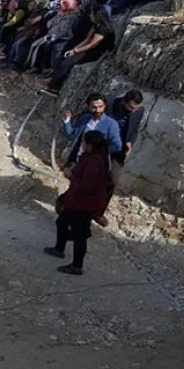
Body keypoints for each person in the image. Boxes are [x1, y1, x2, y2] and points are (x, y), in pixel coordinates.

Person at [45, 130, 113, 275]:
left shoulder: (94, 162)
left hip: (84, 204)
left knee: (79, 235)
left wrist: (70, 176)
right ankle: (59, 249)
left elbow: (86, 186)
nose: (81, 144)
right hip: (78, 200)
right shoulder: (90, 158)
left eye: (83, 142)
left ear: (89, 145)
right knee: (62, 223)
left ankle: (77, 266)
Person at [42, 0, 115, 95]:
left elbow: (92, 44)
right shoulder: (96, 26)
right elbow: (87, 40)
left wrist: (76, 51)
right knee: (64, 56)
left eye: (92, 14)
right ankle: (52, 78)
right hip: (88, 49)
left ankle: (54, 86)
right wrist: (74, 50)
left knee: (67, 63)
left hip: (96, 52)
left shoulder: (103, 29)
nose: (90, 16)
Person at [61, 93, 123, 167]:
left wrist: (99, 151)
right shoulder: (85, 118)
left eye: (100, 107)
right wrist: (67, 121)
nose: (97, 110)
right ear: (88, 107)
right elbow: (71, 134)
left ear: (105, 106)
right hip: (75, 159)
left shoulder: (111, 124)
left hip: (92, 164)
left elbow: (117, 146)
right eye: (94, 107)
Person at [109, 89, 144, 166]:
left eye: (136, 108)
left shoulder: (139, 111)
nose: (134, 111)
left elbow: (135, 129)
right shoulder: (109, 103)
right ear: (124, 102)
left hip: (118, 148)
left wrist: (130, 142)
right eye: (131, 107)